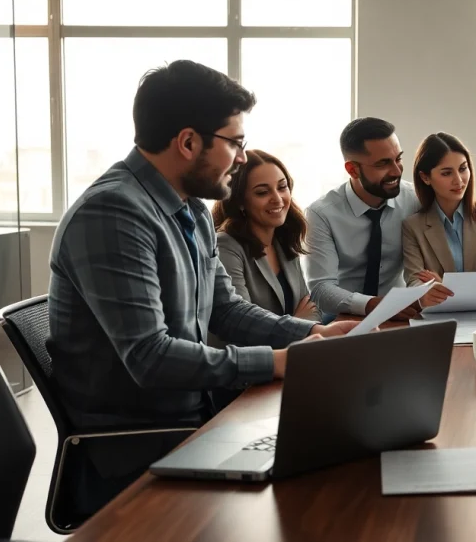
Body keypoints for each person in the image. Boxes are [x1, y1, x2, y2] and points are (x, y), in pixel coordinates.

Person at [46, 60, 357, 518]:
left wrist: (309, 337)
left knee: (344, 456)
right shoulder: (114, 213)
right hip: (139, 443)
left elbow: (225, 310)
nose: (243, 158)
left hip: (196, 416)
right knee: (323, 496)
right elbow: (150, 357)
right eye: (236, 143)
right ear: (189, 142)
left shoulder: (188, 209)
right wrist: (275, 363)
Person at [307, 117, 443, 321]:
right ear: (352, 170)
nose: (397, 171)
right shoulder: (321, 214)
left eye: (398, 159)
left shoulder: (416, 200)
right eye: (383, 164)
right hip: (342, 315)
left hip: (402, 311)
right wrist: (373, 305)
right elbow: (321, 289)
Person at [211, 149, 320, 322]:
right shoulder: (225, 245)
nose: (277, 199)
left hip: (296, 347)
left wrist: (298, 324)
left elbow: (311, 308)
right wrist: (297, 323)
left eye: (282, 187)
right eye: (262, 192)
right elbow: (242, 323)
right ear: (239, 201)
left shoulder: (284, 238)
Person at [403, 132, 476, 309]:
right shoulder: (413, 226)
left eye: (463, 168)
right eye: (446, 173)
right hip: (437, 322)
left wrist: (445, 286)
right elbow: (416, 286)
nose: (459, 180)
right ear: (425, 177)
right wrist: (426, 293)